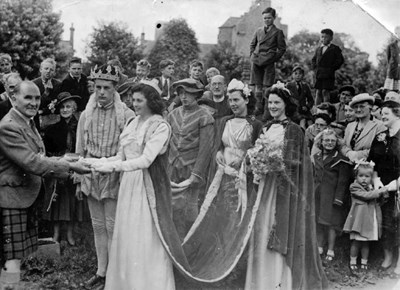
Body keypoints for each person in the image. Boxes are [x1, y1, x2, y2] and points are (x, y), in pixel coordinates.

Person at [0, 81, 90, 289]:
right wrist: (69, 167)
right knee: (10, 260)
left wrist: (65, 161)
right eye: (28, 98)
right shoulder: (9, 126)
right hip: (11, 199)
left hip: (23, 198)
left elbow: (40, 156)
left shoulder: (27, 121)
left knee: (15, 258)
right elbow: (32, 162)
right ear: (14, 99)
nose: (33, 102)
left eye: (37, 98)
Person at [89, 80, 175, 290]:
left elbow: (146, 160)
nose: (134, 104)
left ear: (151, 101)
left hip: (147, 186)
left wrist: (113, 168)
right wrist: (94, 162)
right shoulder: (131, 123)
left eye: (139, 100)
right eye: (133, 100)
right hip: (129, 183)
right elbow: (121, 155)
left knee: (144, 234)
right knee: (126, 233)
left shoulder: (160, 125)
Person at [245, 83, 328, 290]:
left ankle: (279, 282)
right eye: (270, 102)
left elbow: (301, 164)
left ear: (285, 104)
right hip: (265, 186)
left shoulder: (295, 130)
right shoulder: (265, 127)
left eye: (277, 102)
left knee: (278, 228)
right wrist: (256, 161)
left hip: (284, 190)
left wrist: (278, 163)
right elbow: (255, 152)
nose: (272, 106)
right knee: (262, 229)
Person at [75, 64, 135, 290]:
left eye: (106, 87)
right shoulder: (86, 114)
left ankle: (114, 274)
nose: (101, 92)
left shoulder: (126, 115)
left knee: (112, 226)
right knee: (97, 225)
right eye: (97, 87)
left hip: (113, 173)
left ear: (115, 88)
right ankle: (101, 271)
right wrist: (80, 179)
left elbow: (129, 150)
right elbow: (80, 149)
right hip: (91, 172)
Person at [167, 78, 214, 239]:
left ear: (196, 95)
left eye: (188, 93)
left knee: (190, 207)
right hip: (172, 167)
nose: (184, 97)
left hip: (191, 168)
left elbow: (206, 150)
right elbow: (166, 143)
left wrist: (196, 174)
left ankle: (190, 242)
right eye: (181, 93)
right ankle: (174, 242)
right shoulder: (173, 114)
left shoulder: (205, 117)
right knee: (172, 207)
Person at [42, 92, 88, 246]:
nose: (65, 110)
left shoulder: (80, 128)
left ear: (74, 109)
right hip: (58, 167)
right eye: (62, 107)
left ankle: (69, 235)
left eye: (68, 107)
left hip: (75, 167)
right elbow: (46, 151)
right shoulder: (52, 129)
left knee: (72, 202)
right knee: (57, 202)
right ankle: (55, 234)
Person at [367, 100, 400, 274]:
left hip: (398, 188)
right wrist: (376, 178)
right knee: (386, 223)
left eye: (386, 113)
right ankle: (388, 257)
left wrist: (396, 184)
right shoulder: (381, 136)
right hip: (383, 189)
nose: (382, 116)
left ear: (397, 113)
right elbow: (372, 161)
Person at [313, 128, 352, 262]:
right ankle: (319, 246)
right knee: (318, 221)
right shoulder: (316, 157)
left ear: (337, 143)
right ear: (321, 141)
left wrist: (338, 198)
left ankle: (330, 249)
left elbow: (342, 181)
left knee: (331, 224)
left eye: (332, 141)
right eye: (326, 140)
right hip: (317, 195)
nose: (329, 143)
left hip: (332, 197)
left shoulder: (341, 159)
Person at [343, 161, 387, 273]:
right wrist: (381, 190)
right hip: (359, 220)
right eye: (360, 176)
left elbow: (377, 201)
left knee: (366, 242)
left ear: (371, 177)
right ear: (356, 176)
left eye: (367, 176)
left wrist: (382, 194)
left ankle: (364, 262)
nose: (363, 179)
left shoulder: (372, 188)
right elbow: (367, 196)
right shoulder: (354, 187)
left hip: (369, 220)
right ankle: (352, 261)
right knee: (356, 242)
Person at [249, 7, 286, 116]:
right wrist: (252, 55)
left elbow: (282, 49)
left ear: (274, 18)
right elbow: (252, 44)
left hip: (268, 62)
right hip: (257, 61)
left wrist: (273, 58)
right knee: (257, 86)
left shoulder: (278, 32)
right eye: (265, 18)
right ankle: (258, 108)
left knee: (267, 87)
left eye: (269, 18)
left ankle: (266, 111)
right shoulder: (259, 30)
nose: (267, 20)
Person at [342, 93, 386, 162]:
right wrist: (348, 153)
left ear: (370, 107)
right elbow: (343, 145)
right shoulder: (350, 126)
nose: (358, 110)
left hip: (367, 168)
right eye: (356, 107)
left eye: (362, 106)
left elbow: (378, 150)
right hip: (348, 167)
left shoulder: (380, 126)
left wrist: (356, 155)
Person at [312, 28, 344, 105]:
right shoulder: (318, 48)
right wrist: (315, 69)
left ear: (331, 38)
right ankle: (317, 110)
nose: (323, 39)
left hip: (328, 74)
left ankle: (326, 110)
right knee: (318, 92)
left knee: (325, 91)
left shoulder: (335, 48)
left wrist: (332, 69)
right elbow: (313, 60)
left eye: (325, 37)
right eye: (322, 37)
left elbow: (340, 60)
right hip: (319, 74)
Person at [32, 58, 62, 131]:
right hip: (37, 122)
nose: (48, 71)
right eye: (46, 68)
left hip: (54, 121)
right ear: (40, 70)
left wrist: (44, 111)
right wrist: (46, 93)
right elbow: (34, 104)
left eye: (51, 70)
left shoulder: (58, 84)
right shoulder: (33, 84)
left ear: (54, 72)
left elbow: (59, 103)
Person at [286, 64, 314, 130]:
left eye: (300, 74)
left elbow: (311, 100)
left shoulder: (305, 86)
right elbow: (285, 99)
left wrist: (307, 107)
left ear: (303, 75)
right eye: (295, 73)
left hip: (304, 111)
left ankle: (310, 137)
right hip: (293, 111)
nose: (298, 75)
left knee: (310, 123)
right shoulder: (288, 86)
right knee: (303, 121)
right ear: (292, 75)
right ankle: (302, 135)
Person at [383, 27, 400, 92]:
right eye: (398, 33)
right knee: (390, 92)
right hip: (392, 73)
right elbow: (388, 60)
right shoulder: (390, 46)